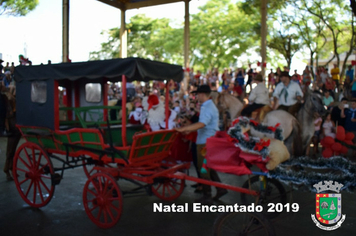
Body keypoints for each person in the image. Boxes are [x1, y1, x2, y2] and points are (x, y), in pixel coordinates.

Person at [175, 85, 226, 203]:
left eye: (197, 94)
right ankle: (220, 189)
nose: (196, 97)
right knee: (208, 167)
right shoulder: (209, 106)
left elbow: (202, 124)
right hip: (208, 140)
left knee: (203, 168)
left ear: (202, 94)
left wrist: (183, 129)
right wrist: (190, 129)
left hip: (205, 142)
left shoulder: (207, 107)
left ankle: (207, 195)